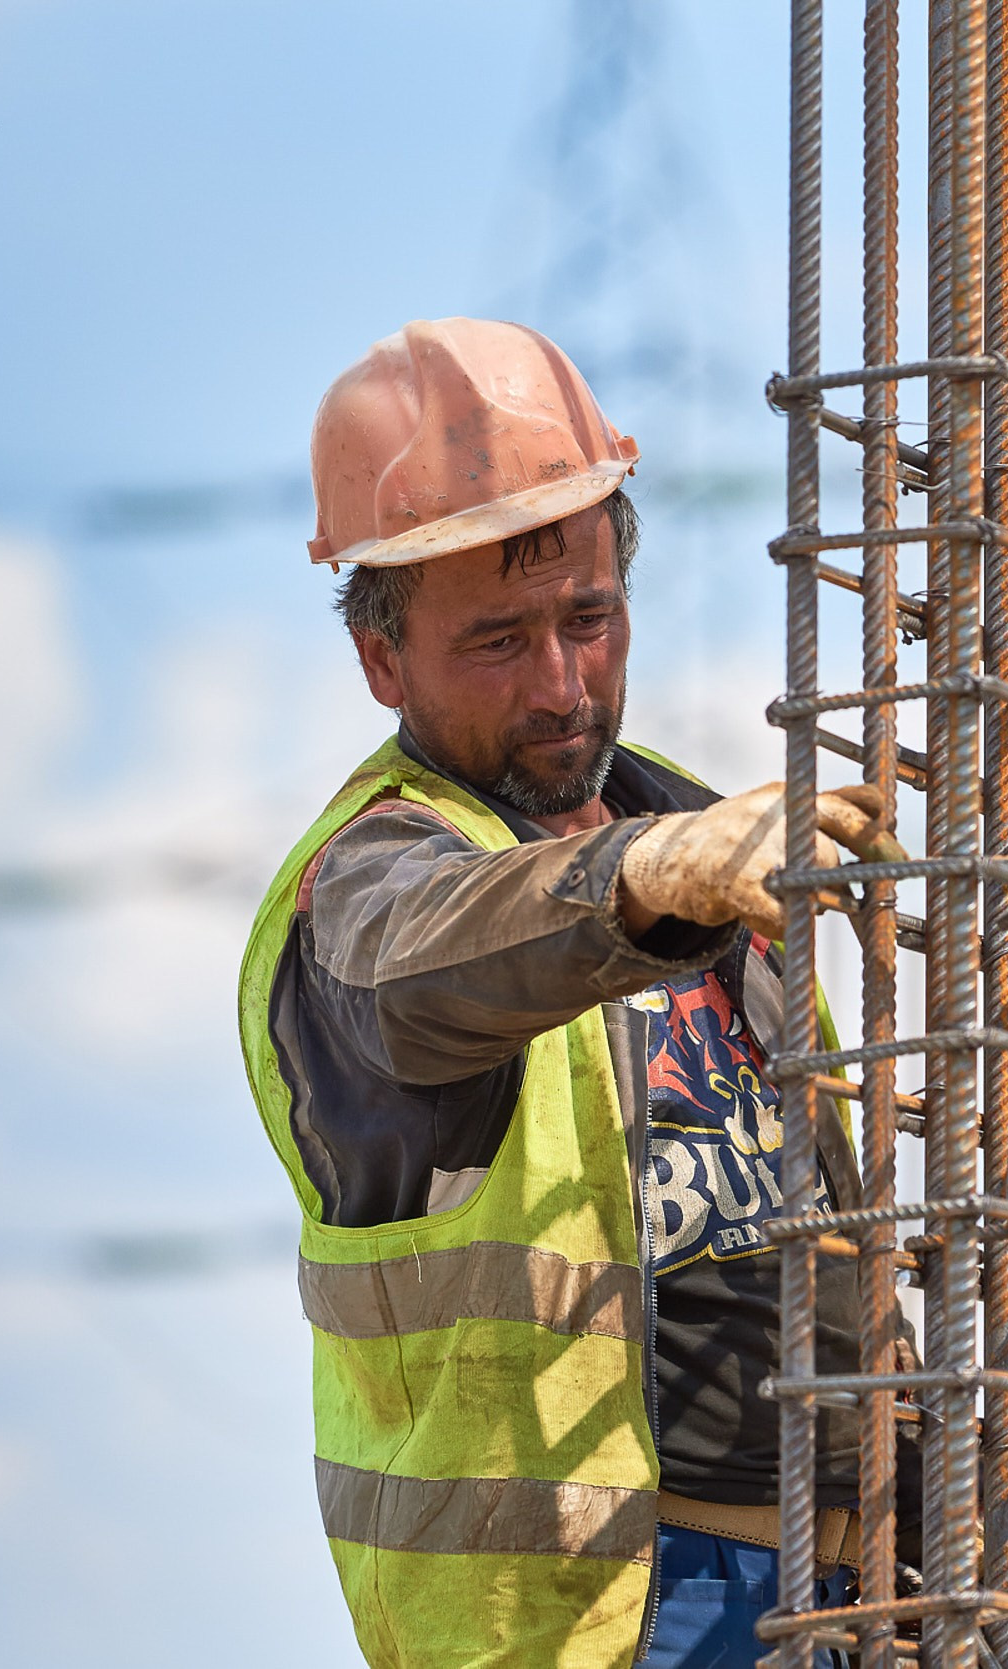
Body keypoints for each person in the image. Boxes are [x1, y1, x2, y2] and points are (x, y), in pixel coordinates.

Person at [237, 318, 910, 1668]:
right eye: (498, 640)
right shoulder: (364, 887)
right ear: (382, 661)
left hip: (848, 1587)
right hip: (607, 1617)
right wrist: (641, 880)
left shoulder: (696, 832)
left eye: (589, 619)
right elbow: (431, 956)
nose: (562, 683)